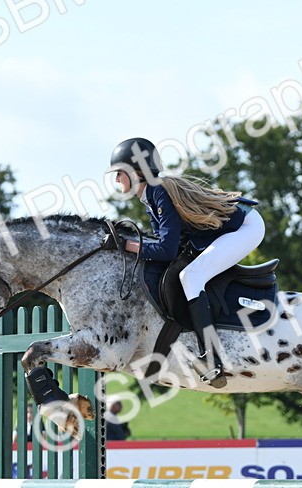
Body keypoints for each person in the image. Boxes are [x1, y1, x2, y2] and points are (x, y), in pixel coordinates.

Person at [108, 137, 265, 384]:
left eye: (119, 172)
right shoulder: (150, 195)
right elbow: (163, 241)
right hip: (233, 228)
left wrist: (128, 245)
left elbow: (166, 250)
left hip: (245, 228)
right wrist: (133, 245)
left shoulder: (158, 191)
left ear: (134, 172)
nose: (116, 179)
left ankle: (213, 359)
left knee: (191, 276)